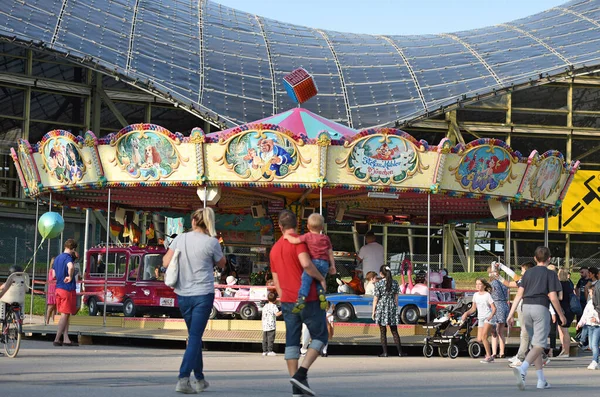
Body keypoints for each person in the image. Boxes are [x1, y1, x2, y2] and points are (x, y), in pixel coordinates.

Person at [162, 207, 226, 394]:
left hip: (183, 294)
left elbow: (166, 262)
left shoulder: (180, 238)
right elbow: (222, 263)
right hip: (203, 295)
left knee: (194, 337)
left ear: (193, 221)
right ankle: (183, 378)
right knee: (195, 337)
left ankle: (199, 378)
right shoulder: (211, 242)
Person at [270, 210, 327, 397]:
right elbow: (306, 264)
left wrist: (283, 295)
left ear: (280, 226)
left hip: (286, 300)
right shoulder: (300, 243)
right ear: (298, 224)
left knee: (292, 341)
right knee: (321, 336)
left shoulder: (274, 249)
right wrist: (321, 278)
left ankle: (296, 387)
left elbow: (276, 279)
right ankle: (301, 373)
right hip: (308, 298)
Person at [508, 246, 565, 391]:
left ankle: (541, 380)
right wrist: (561, 314)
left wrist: (510, 314)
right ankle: (523, 368)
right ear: (549, 258)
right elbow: (553, 296)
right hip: (540, 307)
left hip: (525, 308)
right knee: (540, 345)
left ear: (535, 258)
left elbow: (519, 294)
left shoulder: (527, 274)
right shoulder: (550, 274)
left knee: (535, 345)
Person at [284, 213, 335, 312]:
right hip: (324, 263)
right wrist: (332, 266)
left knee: (306, 280)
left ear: (308, 226)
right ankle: (322, 294)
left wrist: (287, 236)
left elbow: (295, 240)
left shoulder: (308, 236)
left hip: (313, 262)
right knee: (319, 280)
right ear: (322, 227)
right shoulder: (325, 238)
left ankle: (301, 298)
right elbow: (330, 253)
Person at [372, 265, 405, 357]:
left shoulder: (378, 284)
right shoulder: (394, 283)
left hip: (381, 307)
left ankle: (385, 352)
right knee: (394, 331)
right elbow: (396, 298)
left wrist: (373, 311)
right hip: (392, 307)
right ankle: (400, 352)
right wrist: (395, 308)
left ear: (381, 273)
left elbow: (375, 299)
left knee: (383, 331)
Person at [461, 278, 496, 363]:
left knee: (484, 337)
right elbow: (473, 308)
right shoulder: (475, 295)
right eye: (476, 284)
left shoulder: (487, 295)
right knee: (479, 339)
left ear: (484, 286)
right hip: (480, 318)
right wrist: (466, 313)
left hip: (488, 317)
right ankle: (493, 330)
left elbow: (494, 308)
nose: (478, 286)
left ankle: (489, 356)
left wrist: (491, 315)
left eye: (480, 284)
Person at [53, 239, 79, 347]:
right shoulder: (68, 258)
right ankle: (57, 338)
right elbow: (71, 267)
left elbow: (54, 274)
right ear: (73, 249)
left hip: (58, 288)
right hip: (67, 289)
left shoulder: (57, 258)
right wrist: (70, 276)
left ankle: (66, 338)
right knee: (64, 315)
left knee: (66, 314)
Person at [576, 284, 600, 369]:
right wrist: (580, 323)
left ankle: (594, 361)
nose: (590, 294)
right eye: (589, 292)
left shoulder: (598, 303)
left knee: (594, 344)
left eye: (591, 293)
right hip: (590, 326)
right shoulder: (589, 303)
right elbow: (585, 314)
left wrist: (597, 320)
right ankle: (596, 358)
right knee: (591, 345)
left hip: (597, 326)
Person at [489, 268, 509, 359]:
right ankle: (502, 351)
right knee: (501, 331)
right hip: (504, 305)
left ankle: (494, 352)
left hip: (496, 305)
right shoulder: (504, 284)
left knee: (494, 331)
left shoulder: (492, 284)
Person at [557, 268, 574, 357]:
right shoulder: (569, 284)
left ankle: (566, 351)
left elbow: (560, 297)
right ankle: (564, 349)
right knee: (563, 330)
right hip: (569, 309)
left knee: (564, 331)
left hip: (563, 308)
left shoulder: (560, 285)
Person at [262, 292, 281, 357]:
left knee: (265, 339)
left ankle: (264, 351)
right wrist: (282, 311)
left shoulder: (265, 306)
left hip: (265, 325)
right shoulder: (274, 306)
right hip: (271, 325)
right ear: (275, 300)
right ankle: (270, 351)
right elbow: (277, 314)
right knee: (270, 338)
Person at [45, 257, 57, 325]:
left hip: (56, 288)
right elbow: (54, 277)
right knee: (51, 306)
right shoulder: (52, 270)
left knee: (55, 306)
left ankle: (54, 320)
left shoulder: (54, 270)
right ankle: (47, 321)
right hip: (52, 289)